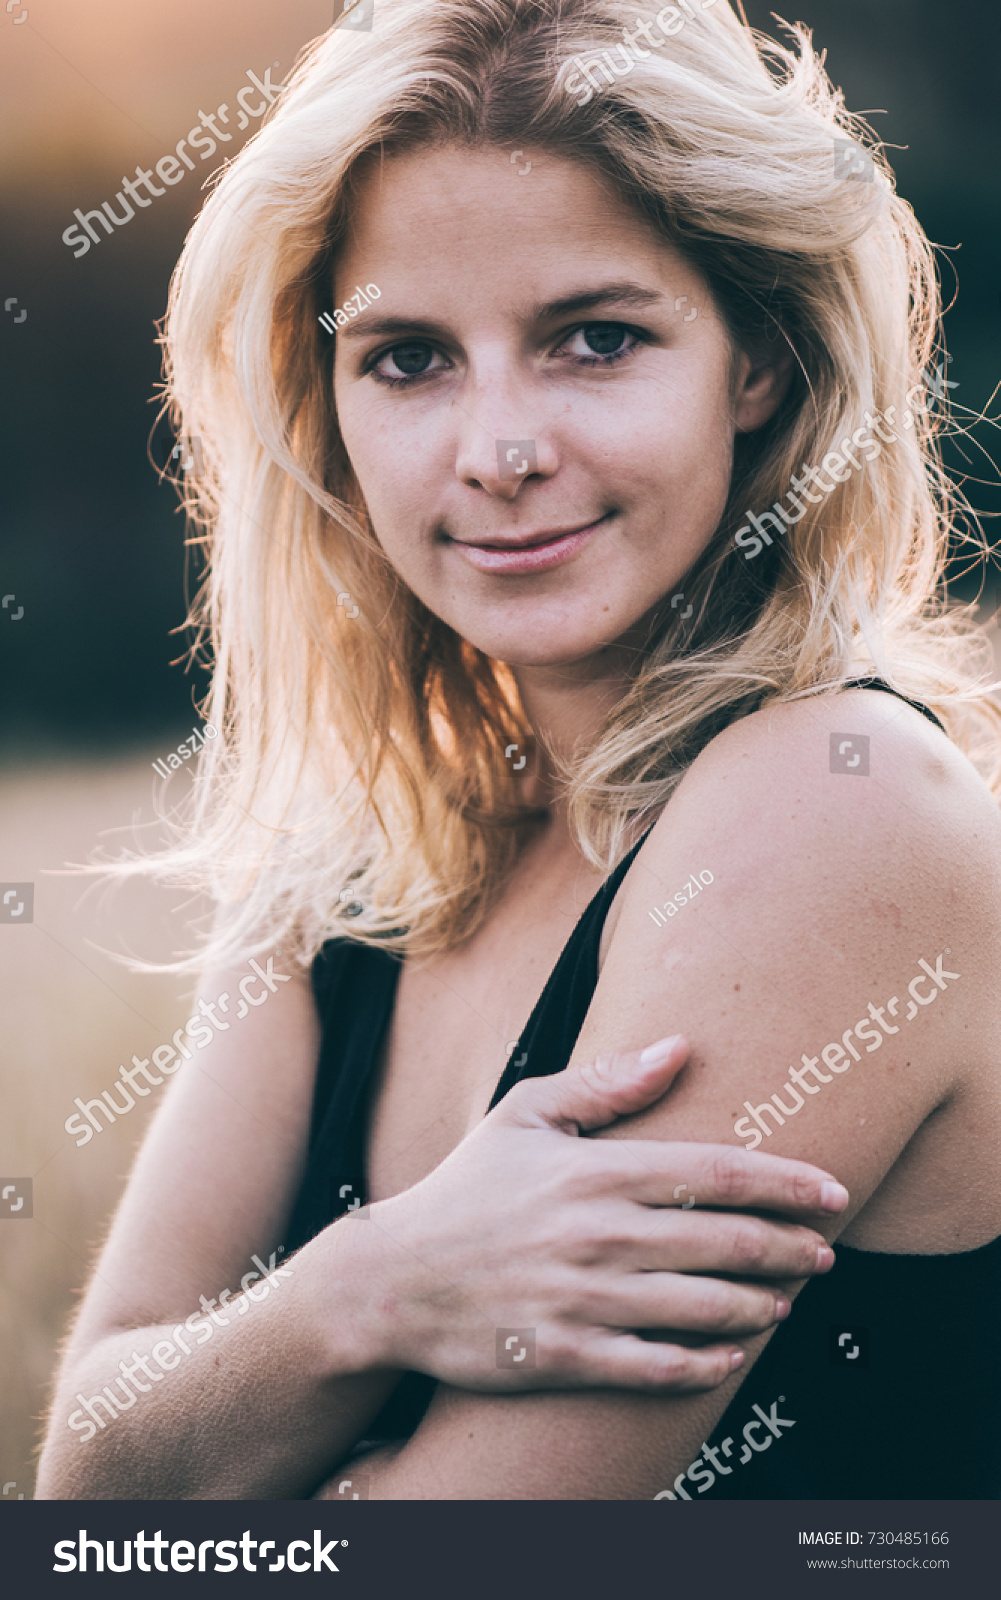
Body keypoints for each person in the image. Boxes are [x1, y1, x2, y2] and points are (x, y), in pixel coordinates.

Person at [37, 0, 1001, 1501]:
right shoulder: (351, 854)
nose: (496, 451)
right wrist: (370, 1286)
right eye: (409, 359)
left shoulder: (835, 809)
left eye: (592, 339)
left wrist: (249, 1448)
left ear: (752, 364)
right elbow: (91, 1477)